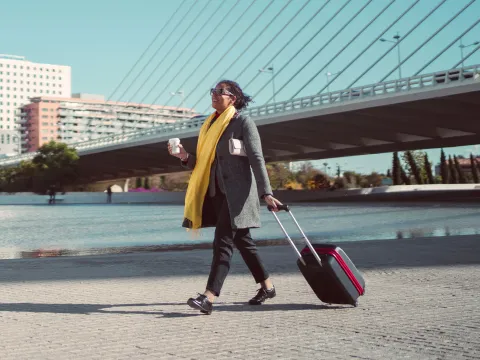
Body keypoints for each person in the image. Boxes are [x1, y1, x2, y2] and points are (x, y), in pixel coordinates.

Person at [167, 80, 282, 315]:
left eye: (221, 92)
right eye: (213, 91)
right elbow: (202, 163)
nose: (215, 95)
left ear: (234, 98)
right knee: (244, 243)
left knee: (223, 243)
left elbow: (256, 159)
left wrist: (266, 192)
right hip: (216, 193)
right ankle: (267, 286)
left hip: (238, 195)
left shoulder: (242, 123)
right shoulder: (209, 125)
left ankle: (209, 297)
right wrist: (183, 155)